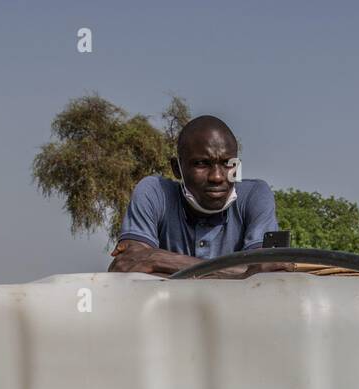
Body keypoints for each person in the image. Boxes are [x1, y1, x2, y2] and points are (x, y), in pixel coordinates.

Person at [109, 115, 291, 278]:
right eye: (201, 163)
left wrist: (157, 258)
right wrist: (240, 273)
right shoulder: (154, 192)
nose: (217, 177)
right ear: (176, 168)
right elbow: (129, 266)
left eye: (228, 164)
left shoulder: (255, 195)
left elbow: (265, 273)